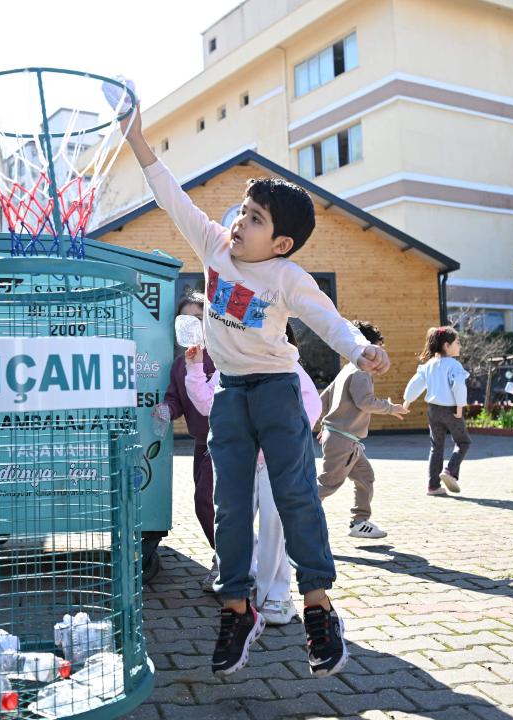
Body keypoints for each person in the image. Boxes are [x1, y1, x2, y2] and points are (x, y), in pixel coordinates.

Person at [123, 104, 390, 678]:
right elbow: (172, 197)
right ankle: (237, 610)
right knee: (231, 503)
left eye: (255, 219)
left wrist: (359, 349)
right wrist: (138, 139)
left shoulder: (288, 279)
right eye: (243, 212)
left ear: (282, 243)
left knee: (295, 497)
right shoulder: (216, 246)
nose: (240, 223)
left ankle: (318, 608)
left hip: (274, 390)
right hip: (229, 394)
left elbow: (329, 321)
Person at [183, 327, 322, 627]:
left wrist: (285, 442)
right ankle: (247, 588)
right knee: (236, 524)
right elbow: (207, 403)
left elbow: (312, 404)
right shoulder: (230, 368)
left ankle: (277, 596)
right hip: (241, 462)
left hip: (277, 463)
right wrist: (194, 367)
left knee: (276, 527)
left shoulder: (286, 365)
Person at [317, 320, 408, 539]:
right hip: (343, 440)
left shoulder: (346, 369)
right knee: (327, 485)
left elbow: (324, 400)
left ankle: (360, 522)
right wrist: (390, 407)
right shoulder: (360, 371)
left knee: (365, 476)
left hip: (345, 439)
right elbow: (364, 401)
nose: (379, 357)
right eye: (378, 349)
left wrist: (324, 426)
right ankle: (292, 518)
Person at [162, 292, 219, 589]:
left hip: (227, 443)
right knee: (203, 506)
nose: (193, 326)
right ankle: (225, 556)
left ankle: (229, 561)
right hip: (201, 444)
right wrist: (165, 410)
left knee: (208, 502)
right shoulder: (179, 364)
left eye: (199, 318)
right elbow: (176, 400)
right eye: (186, 320)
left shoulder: (225, 355)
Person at [403, 327, 469, 497]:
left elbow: (415, 384)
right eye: (457, 343)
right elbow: (459, 386)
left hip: (433, 410)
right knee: (463, 442)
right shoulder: (454, 365)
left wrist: (407, 402)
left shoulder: (429, 365)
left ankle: (433, 486)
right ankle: (449, 471)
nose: (459, 346)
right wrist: (460, 407)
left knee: (436, 447)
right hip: (451, 409)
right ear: (447, 345)